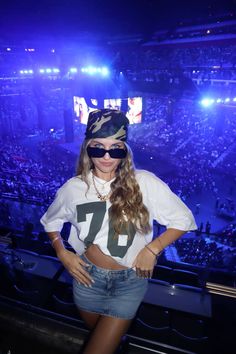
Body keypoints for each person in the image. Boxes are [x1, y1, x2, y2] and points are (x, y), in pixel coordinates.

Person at [40, 109, 197, 354]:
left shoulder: (144, 182)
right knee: (105, 341)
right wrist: (62, 253)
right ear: (86, 148)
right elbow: (50, 222)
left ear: (125, 151)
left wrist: (152, 249)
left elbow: (184, 219)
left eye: (115, 148)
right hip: (87, 279)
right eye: (97, 147)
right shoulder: (73, 188)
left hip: (130, 283)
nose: (106, 156)